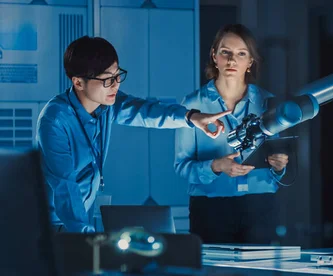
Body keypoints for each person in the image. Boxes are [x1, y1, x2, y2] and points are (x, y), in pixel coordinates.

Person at [37, 36, 230, 233]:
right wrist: (86, 239)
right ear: (78, 82)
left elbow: (145, 111)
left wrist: (191, 116)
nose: (116, 85)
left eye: (117, 75)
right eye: (107, 79)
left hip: (80, 225)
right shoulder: (55, 120)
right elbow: (66, 187)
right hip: (52, 226)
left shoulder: (106, 104)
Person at [175, 24, 289, 244]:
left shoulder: (269, 102)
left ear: (250, 62)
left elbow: (279, 156)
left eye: (241, 54)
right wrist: (216, 166)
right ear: (214, 56)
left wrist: (279, 167)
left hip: (261, 205)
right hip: (211, 210)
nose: (232, 60)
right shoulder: (193, 104)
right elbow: (182, 166)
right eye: (225, 52)